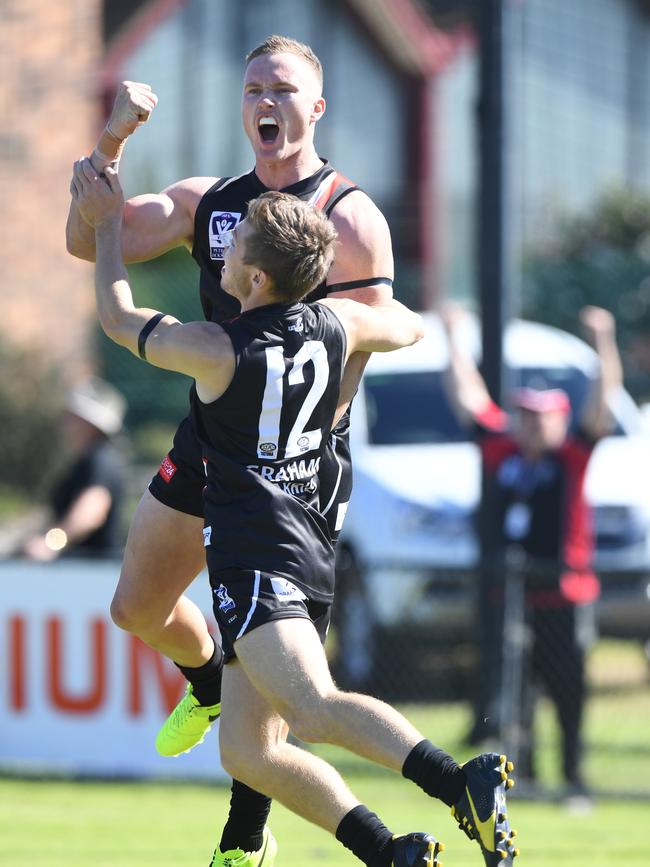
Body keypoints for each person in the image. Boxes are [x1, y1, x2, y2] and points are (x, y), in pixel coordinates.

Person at [74, 164, 519, 867]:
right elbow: (401, 325)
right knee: (252, 751)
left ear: (253, 279)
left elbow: (117, 317)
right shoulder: (338, 321)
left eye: (238, 242)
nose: (225, 247)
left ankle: (460, 780)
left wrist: (104, 229)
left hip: (255, 556)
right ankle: (388, 850)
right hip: (305, 539)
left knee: (313, 703)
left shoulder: (219, 350)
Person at [66, 35, 396, 865]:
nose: (265, 102)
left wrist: (303, 420)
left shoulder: (349, 214)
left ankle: (245, 838)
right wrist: (110, 140)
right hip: (211, 439)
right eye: (253, 87)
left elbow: (374, 335)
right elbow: (89, 239)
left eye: (283, 88)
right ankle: (207, 678)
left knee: (276, 683)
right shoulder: (213, 202)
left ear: (315, 109)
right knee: (136, 608)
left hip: (294, 471)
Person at [441, 303, 623, 799]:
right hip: (511, 596)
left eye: (542, 417)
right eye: (525, 415)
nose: (532, 425)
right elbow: (468, 398)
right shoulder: (504, 452)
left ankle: (574, 778)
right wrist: (453, 337)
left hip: (564, 595)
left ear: (560, 421)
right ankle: (528, 779)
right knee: (515, 698)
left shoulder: (571, 457)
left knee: (568, 695)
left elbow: (602, 406)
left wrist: (602, 342)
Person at [21, 376, 126, 561]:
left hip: (88, 574)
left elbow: (92, 511)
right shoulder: (91, 459)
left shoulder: (99, 460)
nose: (64, 419)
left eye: (72, 415)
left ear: (89, 424)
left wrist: (51, 543)